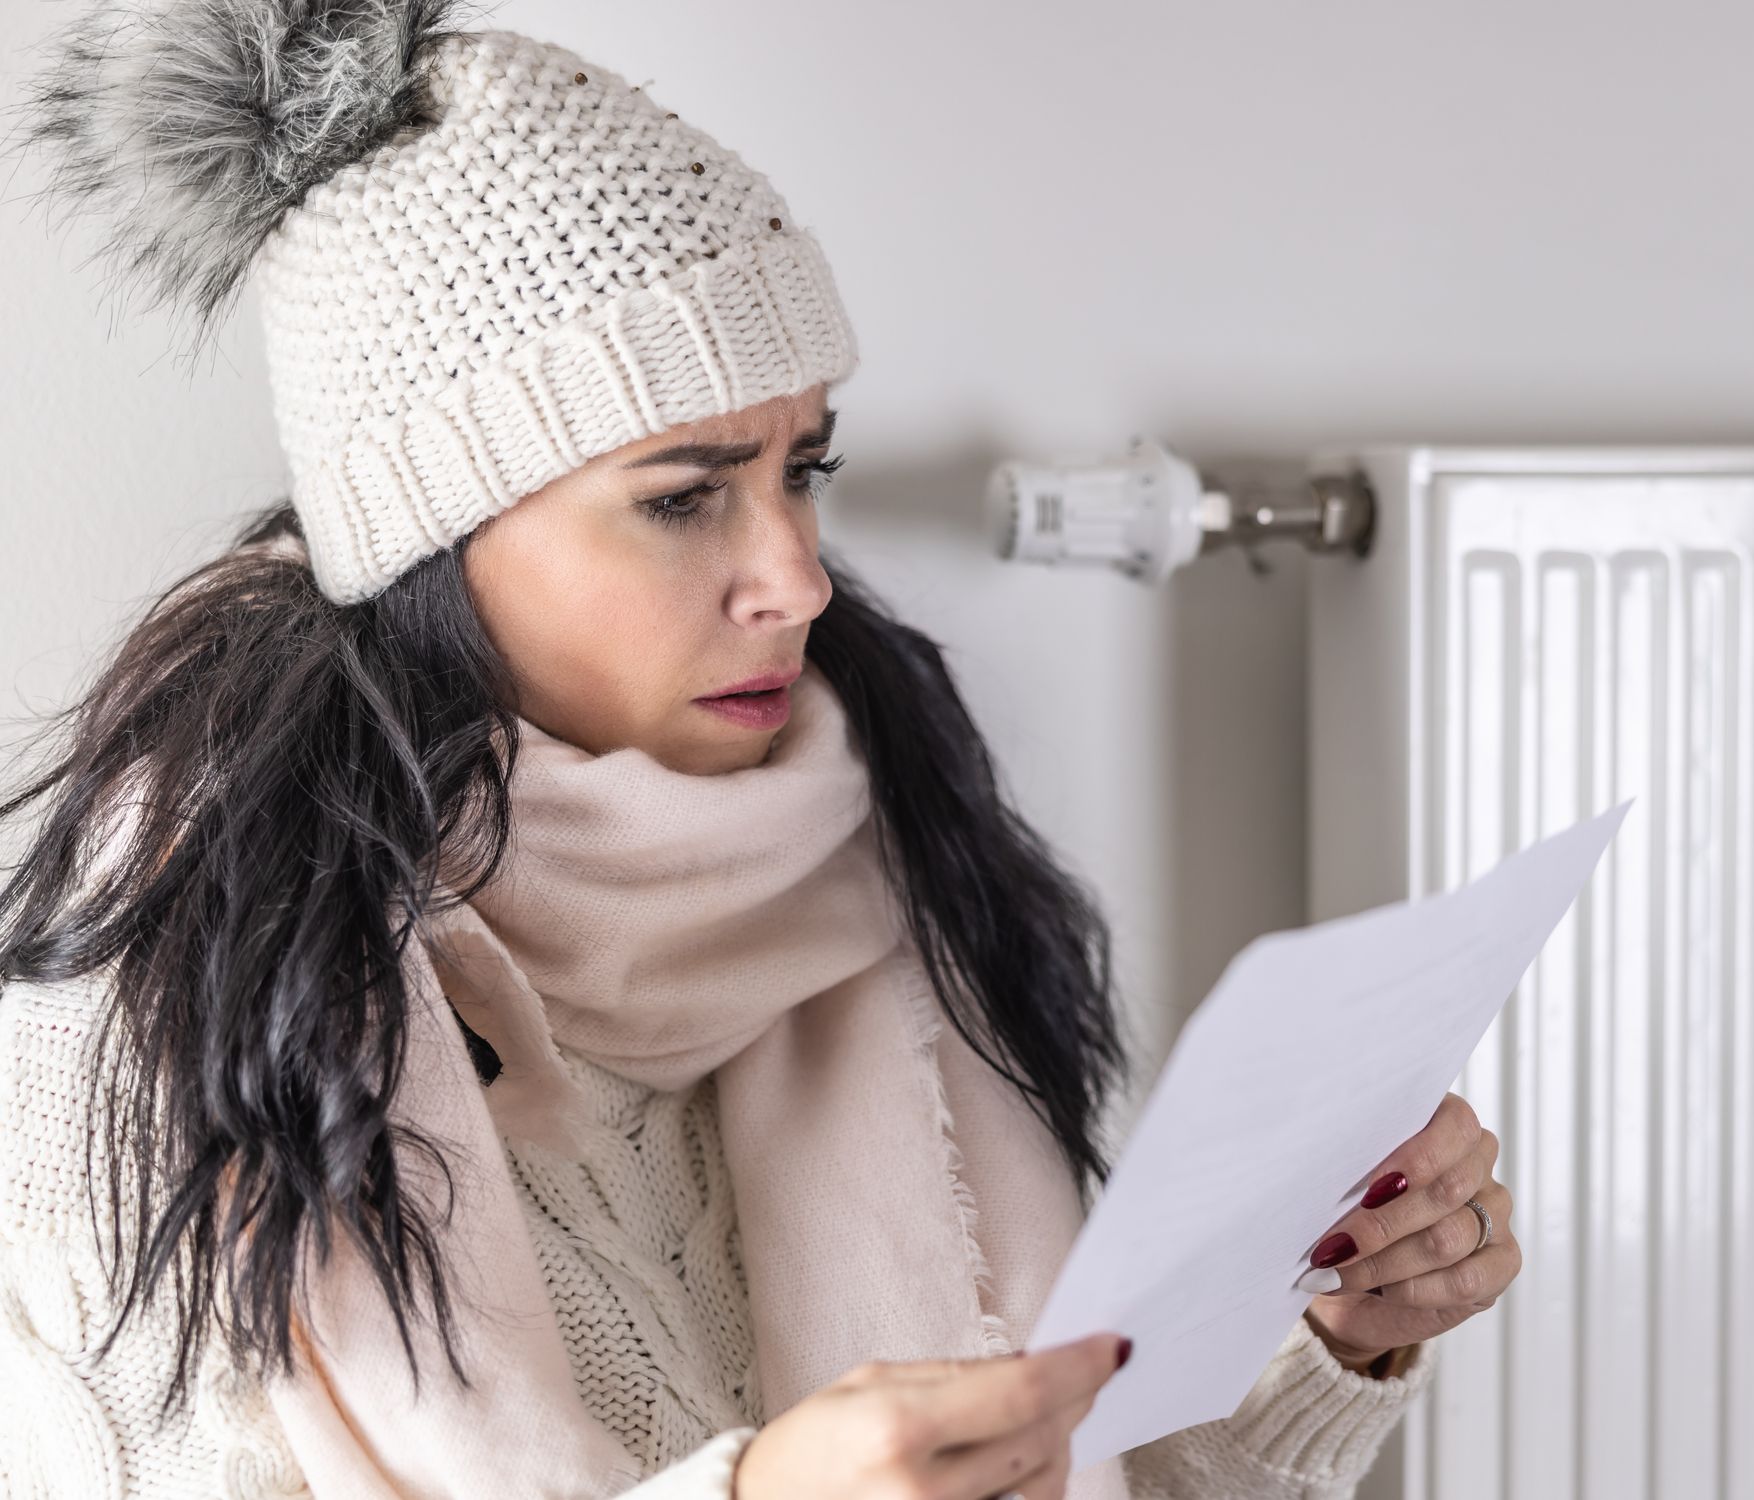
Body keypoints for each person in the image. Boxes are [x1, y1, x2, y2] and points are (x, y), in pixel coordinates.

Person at [0, 3, 1519, 1496]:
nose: (797, 579)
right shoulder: (166, 1012)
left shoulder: (861, 862)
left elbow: (1064, 1469)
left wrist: (1329, 1331)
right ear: (433, 541)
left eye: (805, 470)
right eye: (683, 496)